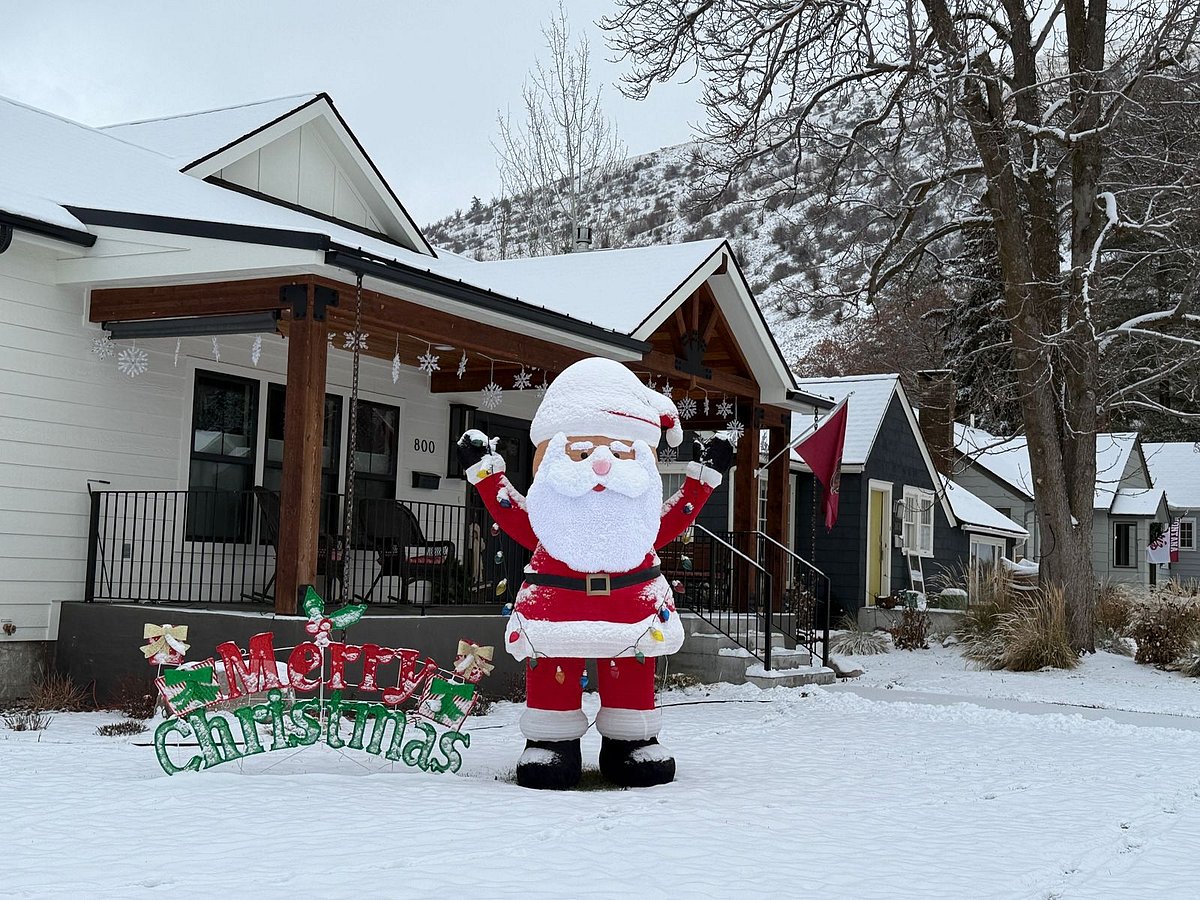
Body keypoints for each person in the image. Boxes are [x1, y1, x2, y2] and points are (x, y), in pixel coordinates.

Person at [457, 357, 734, 789]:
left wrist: (705, 477)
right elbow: (512, 513)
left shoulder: (640, 525)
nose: (601, 465)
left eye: (620, 452)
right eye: (582, 453)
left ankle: (631, 741)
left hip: (631, 611)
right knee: (552, 669)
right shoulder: (549, 522)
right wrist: (485, 473)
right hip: (556, 611)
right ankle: (552, 743)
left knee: (631, 669)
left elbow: (673, 517)